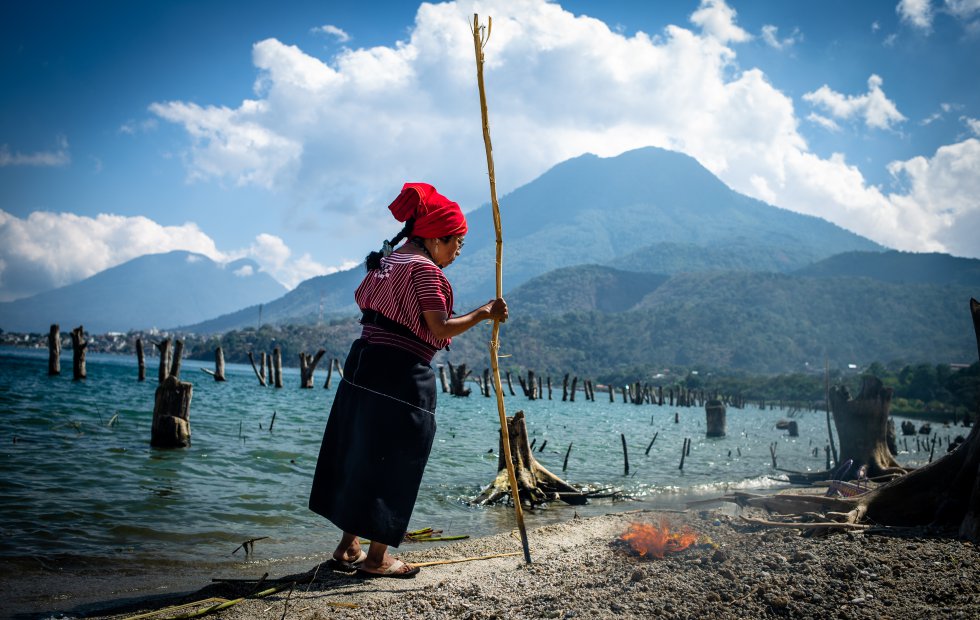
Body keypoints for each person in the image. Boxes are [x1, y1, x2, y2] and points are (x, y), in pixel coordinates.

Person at [308, 182, 508, 579]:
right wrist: (485, 313)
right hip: (402, 373)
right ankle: (377, 558)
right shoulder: (426, 271)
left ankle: (348, 546)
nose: (456, 253)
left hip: (363, 364)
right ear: (435, 238)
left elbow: (365, 301)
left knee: (362, 451)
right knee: (396, 460)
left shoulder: (390, 261)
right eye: (457, 244)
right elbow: (441, 327)